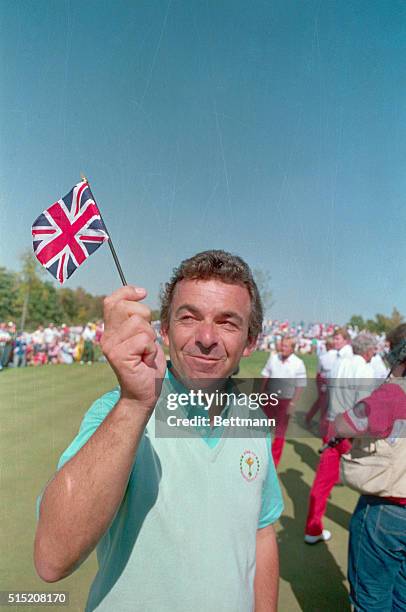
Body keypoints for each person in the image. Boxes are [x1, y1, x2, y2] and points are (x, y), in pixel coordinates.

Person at [34, 250, 284, 612]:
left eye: (228, 322)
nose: (207, 337)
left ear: (250, 340)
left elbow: (261, 531)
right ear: (165, 330)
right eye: (189, 317)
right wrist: (134, 404)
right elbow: (51, 558)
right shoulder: (117, 411)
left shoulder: (254, 419)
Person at [335, 323, 406, 611]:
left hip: (386, 509)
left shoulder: (393, 394)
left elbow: (344, 424)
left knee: (371, 598)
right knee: (401, 597)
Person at [304, 332, 376, 544]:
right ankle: (370, 534)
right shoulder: (365, 370)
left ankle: (312, 528)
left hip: (332, 426)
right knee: (373, 482)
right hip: (351, 433)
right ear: (369, 351)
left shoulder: (339, 364)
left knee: (322, 481)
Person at [261, 336, 307, 467]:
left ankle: (274, 462)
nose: (282, 348)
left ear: (292, 348)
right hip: (270, 398)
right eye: (282, 345)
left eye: (286, 346)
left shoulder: (298, 363)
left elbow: (300, 385)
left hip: (286, 401)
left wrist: (293, 403)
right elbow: (265, 375)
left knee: (280, 431)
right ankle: (262, 454)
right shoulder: (273, 358)